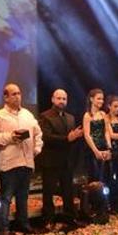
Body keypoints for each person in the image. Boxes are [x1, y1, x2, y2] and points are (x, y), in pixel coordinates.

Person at [0, 83, 43, 233]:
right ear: (6, 97)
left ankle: (23, 225)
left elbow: (38, 133)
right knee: (6, 197)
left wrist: (36, 149)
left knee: (23, 196)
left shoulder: (27, 114)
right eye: (14, 94)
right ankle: (3, 228)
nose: (17, 97)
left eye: (19, 93)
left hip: (26, 161)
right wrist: (10, 136)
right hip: (10, 163)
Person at [38, 88, 83, 225]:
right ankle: (48, 219)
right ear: (52, 99)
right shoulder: (45, 116)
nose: (61, 101)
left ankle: (70, 217)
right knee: (49, 192)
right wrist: (67, 138)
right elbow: (46, 137)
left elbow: (72, 138)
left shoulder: (70, 117)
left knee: (68, 190)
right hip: (51, 160)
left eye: (64, 99)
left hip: (67, 161)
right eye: (59, 98)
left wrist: (75, 137)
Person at [1, 0, 37, 102]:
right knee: (8, 77)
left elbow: (34, 7)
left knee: (26, 79)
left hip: (27, 37)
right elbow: (1, 7)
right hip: (6, 37)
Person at [82, 88, 112, 185]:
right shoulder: (87, 115)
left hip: (104, 148)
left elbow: (106, 132)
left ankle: (105, 200)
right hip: (92, 150)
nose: (101, 101)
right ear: (91, 99)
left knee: (105, 177)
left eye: (102, 99)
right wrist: (96, 151)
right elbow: (87, 135)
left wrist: (109, 148)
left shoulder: (103, 114)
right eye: (98, 99)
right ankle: (93, 199)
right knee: (94, 177)